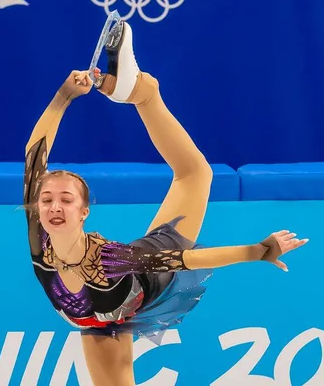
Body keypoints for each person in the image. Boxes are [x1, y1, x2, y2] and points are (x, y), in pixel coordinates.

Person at [23, 20, 308, 386]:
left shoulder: (113, 260)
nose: (53, 206)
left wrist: (257, 251)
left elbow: (187, 259)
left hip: (150, 280)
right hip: (99, 318)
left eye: (65, 199)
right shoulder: (38, 236)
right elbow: (35, 157)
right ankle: (139, 91)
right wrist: (62, 97)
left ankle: (145, 93)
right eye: (46, 200)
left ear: (84, 212)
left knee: (194, 174)